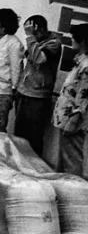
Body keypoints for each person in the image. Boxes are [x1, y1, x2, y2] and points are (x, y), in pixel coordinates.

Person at [14, 14, 63, 156]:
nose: (30, 36)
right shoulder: (35, 42)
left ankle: (33, 169)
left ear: (40, 29)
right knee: (19, 135)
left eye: (32, 31)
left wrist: (30, 37)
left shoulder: (54, 43)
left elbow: (39, 59)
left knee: (33, 137)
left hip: (38, 97)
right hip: (24, 92)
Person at [53, 24, 88, 177]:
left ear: (84, 41)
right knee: (66, 158)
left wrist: (74, 119)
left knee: (72, 160)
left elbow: (84, 95)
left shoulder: (86, 65)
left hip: (74, 121)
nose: (71, 40)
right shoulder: (80, 61)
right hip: (67, 117)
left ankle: (74, 196)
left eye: (74, 37)